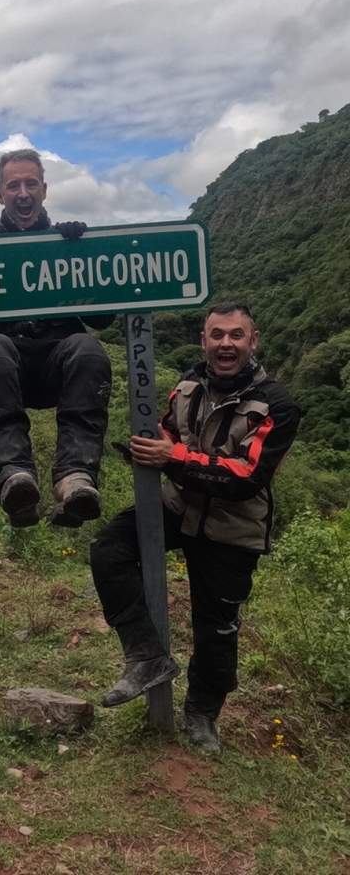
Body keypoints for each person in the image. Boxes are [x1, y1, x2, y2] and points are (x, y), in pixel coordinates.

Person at [90, 302, 300, 752]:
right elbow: (170, 431)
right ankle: (146, 656)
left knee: (217, 628)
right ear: (204, 340)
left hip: (234, 525)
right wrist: (155, 444)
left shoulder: (277, 405)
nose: (226, 343)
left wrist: (172, 457)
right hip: (177, 505)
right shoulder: (187, 386)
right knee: (109, 548)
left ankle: (202, 713)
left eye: (236, 335)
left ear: (253, 341)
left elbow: (247, 477)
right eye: (217, 334)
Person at [0, 148, 113, 528]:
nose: (23, 193)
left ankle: (75, 477)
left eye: (31, 184)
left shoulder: (67, 244)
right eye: (13, 186)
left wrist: (79, 251)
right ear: (0, 195)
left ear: (44, 190)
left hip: (60, 365)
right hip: (5, 369)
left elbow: (103, 319)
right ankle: (14, 477)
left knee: (88, 349)